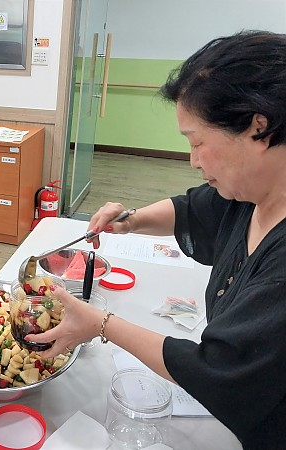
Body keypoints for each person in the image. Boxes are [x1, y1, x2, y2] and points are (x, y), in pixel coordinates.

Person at [27, 31, 286, 448]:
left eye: (197, 142)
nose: (193, 160)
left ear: (260, 126)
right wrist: (129, 221)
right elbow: (196, 209)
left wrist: (101, 324)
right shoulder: (251, 193)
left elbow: (218, 372)